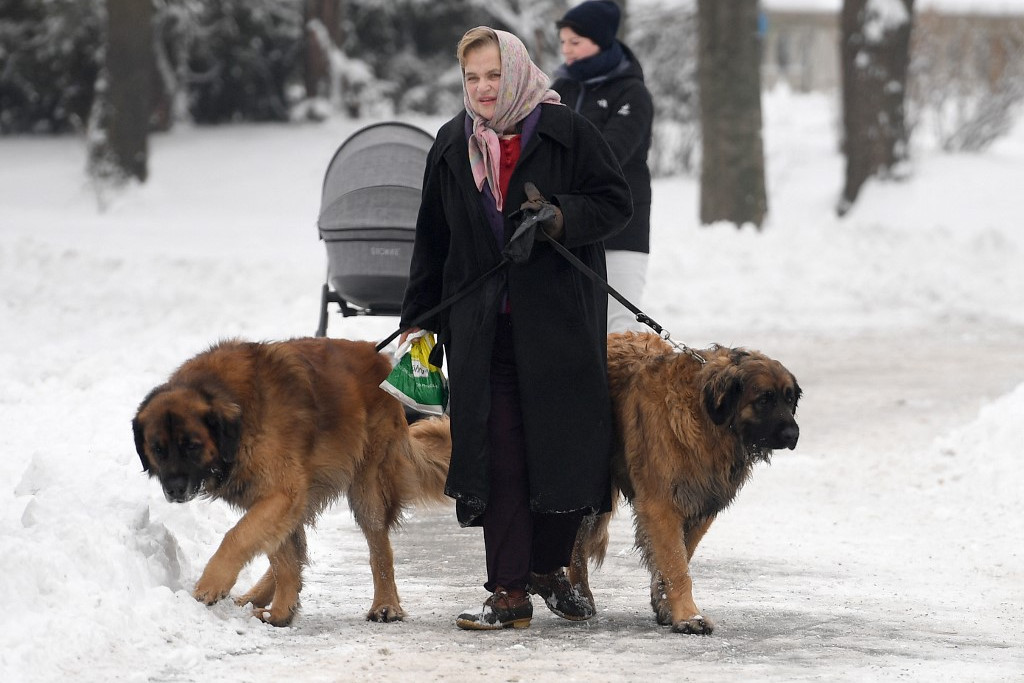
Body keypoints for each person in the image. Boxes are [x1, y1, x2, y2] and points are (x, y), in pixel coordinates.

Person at [398, 26, 632, 630]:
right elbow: (433, 242)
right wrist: (417, 332)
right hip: (482, 330)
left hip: (558, 325)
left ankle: (549, 566)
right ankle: (507, 591)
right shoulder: (452, 144)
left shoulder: (567, 132)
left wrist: (558, 217)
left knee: (560, 452)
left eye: (493, 75)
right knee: (498, 459)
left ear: (519, 73)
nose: (481, 88)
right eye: (471, 77)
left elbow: (614, 203)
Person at [551, 0, 654, 334]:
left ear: (601, 40)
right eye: (563, 41)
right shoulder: (560, 89)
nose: (566, 50)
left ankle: (625, 389)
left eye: (575, 42)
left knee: (620, 327)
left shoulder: (632, 92)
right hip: (568, 227)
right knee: (571, 325)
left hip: (622, 226)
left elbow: (610, 155)